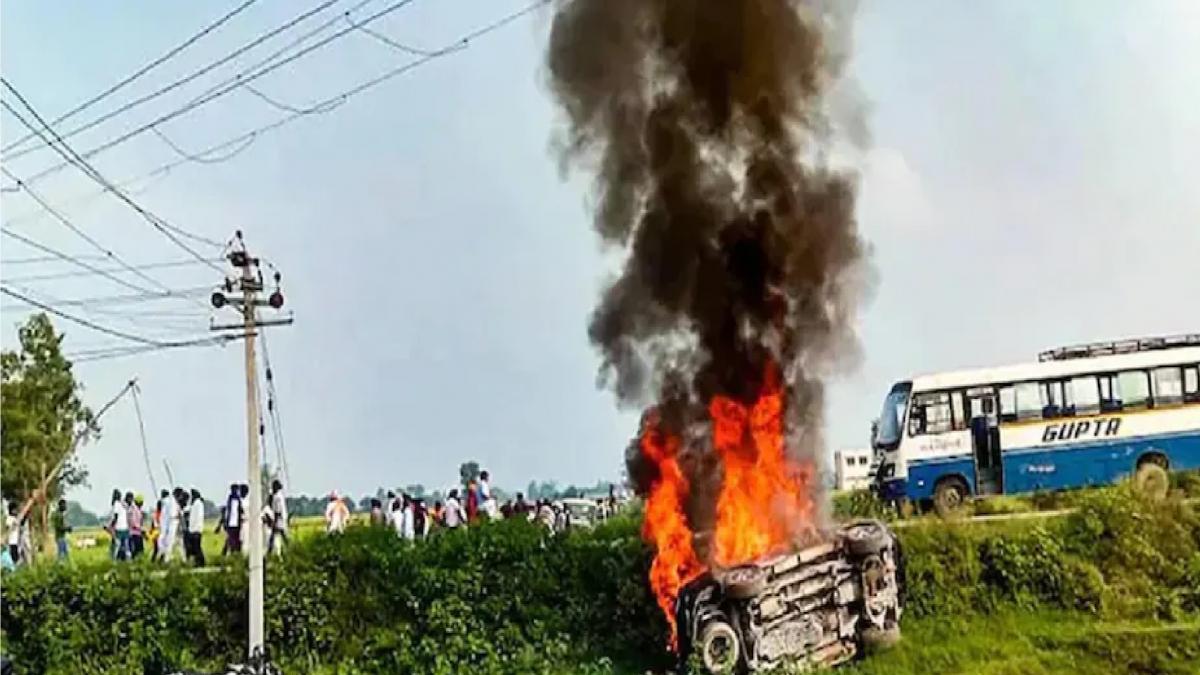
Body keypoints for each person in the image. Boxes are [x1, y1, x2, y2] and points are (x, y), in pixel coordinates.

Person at [221, 483, 244, 555]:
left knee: (234, 540)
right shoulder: (231, 499)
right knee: (231, 539)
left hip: (235, 523)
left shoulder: (237, 499)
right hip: (232, 523)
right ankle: (229, 552)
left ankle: (232, 553)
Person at [268, 479, 289, 556]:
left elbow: (277, 510)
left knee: (276, 536)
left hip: (279, 519)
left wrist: (274, 521)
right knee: (282, 536)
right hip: (281, 518)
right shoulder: (279, 495)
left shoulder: (277, 497)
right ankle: (290, 550)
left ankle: (269, 552)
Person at [186, 489, 205, 567]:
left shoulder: (198, 504)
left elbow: (198, 517)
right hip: (193, 529)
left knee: (197, 547)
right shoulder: (194, 504)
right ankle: (197, 561)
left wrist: (195, 528)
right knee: (195, 547)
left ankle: (201, 562)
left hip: (196, 529)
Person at [109, 489, 130, 561]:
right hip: (125, 527)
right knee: (126, 546)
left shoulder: (116, 504)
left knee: (117, 546)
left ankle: (114, 560)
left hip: (119, 527)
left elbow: (115, 516)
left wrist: (111, 526)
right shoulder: (124, 504)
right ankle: (128, 560)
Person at [128, 493, 145, 558]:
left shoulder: (138, 510)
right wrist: (140, 528)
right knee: (135, 550)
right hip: (134, 533)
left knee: (140, 550)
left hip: (138, 533)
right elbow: (133, 523)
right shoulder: (133, 510)